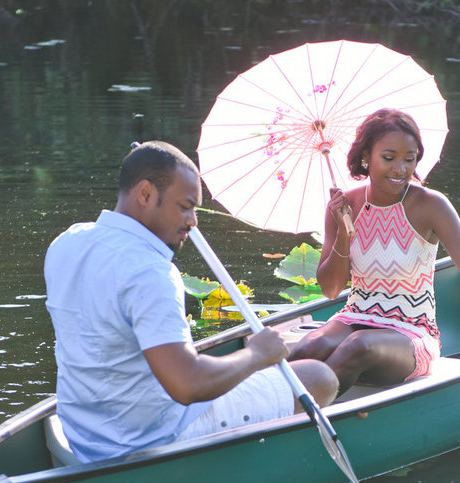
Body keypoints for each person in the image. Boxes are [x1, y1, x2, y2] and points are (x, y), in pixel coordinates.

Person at [45, 141, 338, 464]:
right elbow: (188, 386)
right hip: (149, 436)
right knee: (317, 378)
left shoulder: (67, 242)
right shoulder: (150, 271)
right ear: (145, 194)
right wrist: (257, 354)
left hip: (85, 434)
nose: (192, 221)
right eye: (185, 206)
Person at [289, 108, 460, 394]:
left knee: (358, 346)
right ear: (366, 156)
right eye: (388, 158)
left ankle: (296, 416)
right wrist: (343, 232)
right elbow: (331, 290)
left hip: (411, 331)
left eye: (409, 159)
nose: (401, 169)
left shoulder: (431, 205)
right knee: (310, 346)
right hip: (355, 316)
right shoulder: (344, 206)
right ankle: (269, 409)